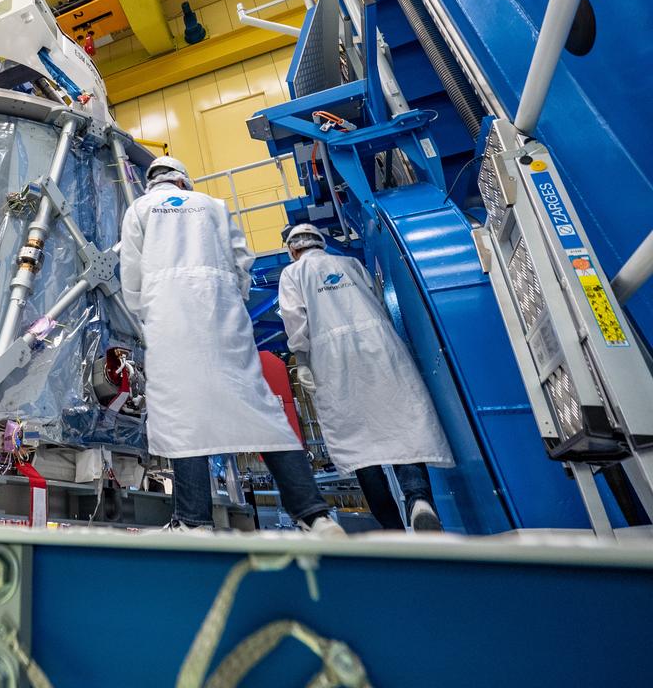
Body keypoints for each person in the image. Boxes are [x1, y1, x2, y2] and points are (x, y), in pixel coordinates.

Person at [120, 156, 344, 535]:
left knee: (184, 417)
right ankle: (315, 515)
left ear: (151, 183)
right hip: (222, 313)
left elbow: (131, 273)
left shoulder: (139, 209)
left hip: (169, 317)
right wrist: (229, 300)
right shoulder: (213, 206)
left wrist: (148, 314)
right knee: (260, 410)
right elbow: (243, 261)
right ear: (183, 181)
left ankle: (194, 522)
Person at [277, 223, 452, 531]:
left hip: (334, 360)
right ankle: (419, 501)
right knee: (401, 427)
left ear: (293, 250)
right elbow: (379, 299)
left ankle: (392, 527)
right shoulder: (351, 264)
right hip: (380, 348)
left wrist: (301, 359)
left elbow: (295, 318)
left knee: (359, 444)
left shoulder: (293, 274)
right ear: (321, 242)